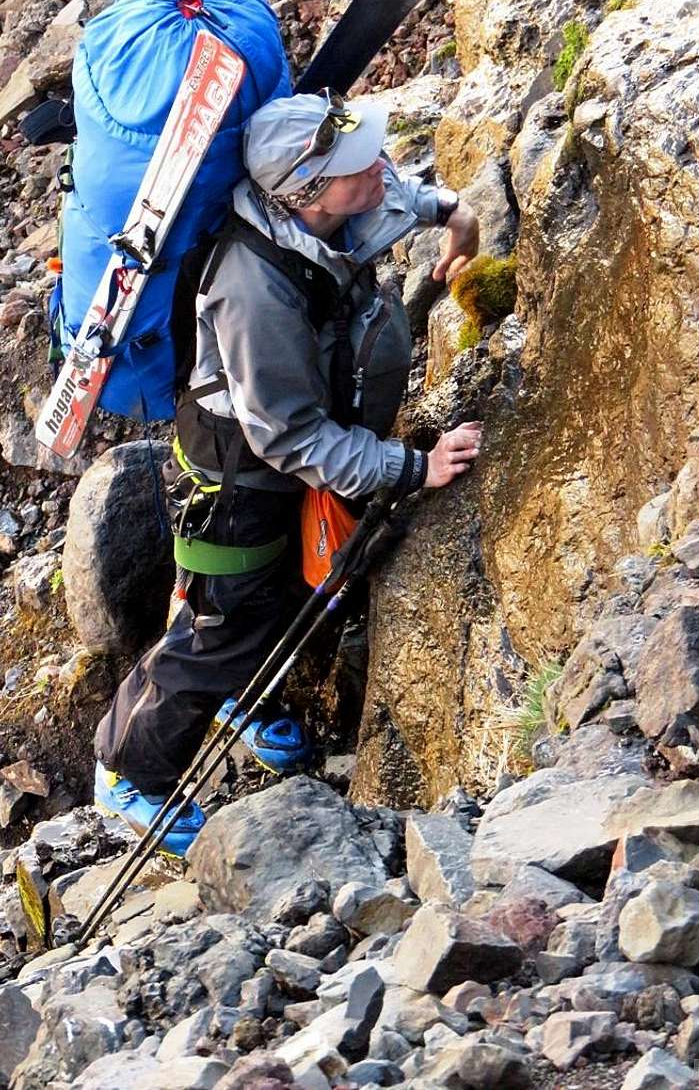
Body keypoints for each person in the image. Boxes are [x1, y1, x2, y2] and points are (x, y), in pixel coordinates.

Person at [93, 89, 483, 854]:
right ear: (305, 195)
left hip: (297, 439)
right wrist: (413, 466)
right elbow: (290, 435)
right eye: (352, 165)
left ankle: (246, 695)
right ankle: (127, 769)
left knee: (301, 585)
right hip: (242, 469)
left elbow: (390, 188)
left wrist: (452, 211)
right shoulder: (252, 290)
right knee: (225, 622)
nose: (376, 164)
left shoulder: (338, 200)